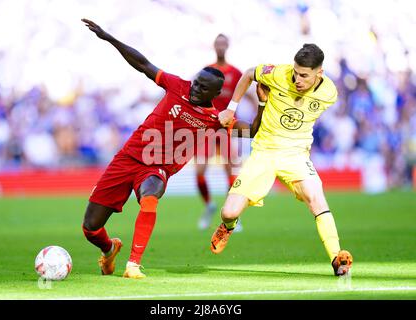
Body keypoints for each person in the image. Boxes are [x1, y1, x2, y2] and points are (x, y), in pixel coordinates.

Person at [80, 18, 264, 279]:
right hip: (128, 157)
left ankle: (133, 264)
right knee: (90, 227)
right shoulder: (177, 85)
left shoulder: (215, 118)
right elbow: (143, 64)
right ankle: (110, 249)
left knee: (151, 193)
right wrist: (109, 38)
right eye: (196, 82)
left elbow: (251, 131)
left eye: (202, 88)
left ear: (216, 92)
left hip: (157, 168)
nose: (194, 88)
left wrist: (262, 104)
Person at [210, 43, 353, 276]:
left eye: (304, 75)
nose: (297, 78)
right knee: (229, 212)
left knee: (316, 199)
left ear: (320, 74)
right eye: (296, 72)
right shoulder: (278, 73)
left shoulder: (329, 93)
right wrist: (231, 108)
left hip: (296, 155)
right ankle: (228, 227)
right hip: (264, 151)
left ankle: (337, 258)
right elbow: (248, 74)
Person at [196, 34, 244, 231]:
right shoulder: (207, 71)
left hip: (226, 128)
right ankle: (209, 205)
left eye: (224, 43)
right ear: (214, 46)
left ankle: (230, 214)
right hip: (207, 127)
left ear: (228, 45)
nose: (221, 46)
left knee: (231, 171)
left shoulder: (236, 72)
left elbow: (245, 92)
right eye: (218, 43)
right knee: (199, 172)